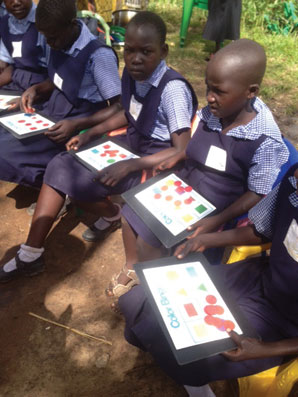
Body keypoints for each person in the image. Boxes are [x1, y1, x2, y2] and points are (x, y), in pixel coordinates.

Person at [0, 11, 198, 282]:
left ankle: (113, 214)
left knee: (87, 177)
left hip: (154, 157)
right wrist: (89, 133)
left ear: (163, 51)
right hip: (132, 142)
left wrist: (130, 164)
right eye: (129, 50)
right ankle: (31, 253)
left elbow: (181, 150)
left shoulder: (172, 89)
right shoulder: (131, 72)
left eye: (146, 52)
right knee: (62, 164)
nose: (135, 58)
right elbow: (127, 113)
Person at [109, 38, 289, 299]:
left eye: (219, 91)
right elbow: (194, 150)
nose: (210, 98)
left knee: (149, 236)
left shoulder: (263, 141)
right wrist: (177, 160)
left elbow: (256, 194)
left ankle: (151, 293)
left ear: (251, 91)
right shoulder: (215, 113)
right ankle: (135, 270)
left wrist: (216, 220)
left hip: (217, 207)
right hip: (185, 187)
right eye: (208, 88)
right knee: (131, 209)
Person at [118, 162, 298, 392]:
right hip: (258, 277)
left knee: (196, 356)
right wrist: (206, 239)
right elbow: (262, 229)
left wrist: (267, 350)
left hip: (287, 319)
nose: (296, 177)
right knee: (141, 296)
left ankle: (198, 388)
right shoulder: (294, 179)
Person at [0, 0, 121, 188]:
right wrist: (36, 90)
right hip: (53, 107)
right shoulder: (59, 40)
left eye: (53, 38)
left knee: (5, 150)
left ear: (72, 25)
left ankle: (55, 182)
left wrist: (78, 124)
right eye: (46, 37)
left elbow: (118, 107)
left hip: (80, 116)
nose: (49, 43)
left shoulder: (98, 55)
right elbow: (57, 79)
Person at [0, 0, 48, 99]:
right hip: (15, 84)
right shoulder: (6, 22)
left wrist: (35, 93)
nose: (16, 2)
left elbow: (58, 76)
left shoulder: (45, 23)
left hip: (40, 89)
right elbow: (7, 63)